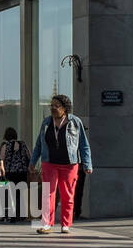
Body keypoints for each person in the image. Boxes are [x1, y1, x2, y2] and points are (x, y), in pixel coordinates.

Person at [29, 95, 93, 235]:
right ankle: (46, 224)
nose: (52, 108)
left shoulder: (75, 122)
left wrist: (87, 163)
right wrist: (33, 161)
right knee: (48, 194)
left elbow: (83, 145)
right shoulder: (46, 123)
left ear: (65, 108)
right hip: (49, 162)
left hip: (69, 164)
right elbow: (39, 144)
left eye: (56, 106)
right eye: (51, 105)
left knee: (67, 195)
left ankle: (66, 224)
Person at [0, 127, 31, 223]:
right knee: (21, 194)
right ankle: (21, 215)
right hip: (22, 172)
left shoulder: (5, 145)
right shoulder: (23, 144)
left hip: (9, 173)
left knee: (10, 194)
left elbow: (1, 159)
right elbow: (29, 156)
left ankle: (11, 215)